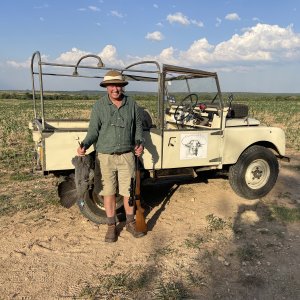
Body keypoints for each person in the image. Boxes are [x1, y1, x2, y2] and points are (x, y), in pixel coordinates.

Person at [77, 70, 145, 243]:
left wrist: (139, 143)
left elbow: (138, 128)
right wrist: (84, 145)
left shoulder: (132, 105)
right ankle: (111, 227)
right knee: (109, 193)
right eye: (112, 85)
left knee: (129, 192)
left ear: (123, 87)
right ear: (106, 87)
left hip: (127, 156)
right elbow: (93, 131)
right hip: (105, 157)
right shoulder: (99, 106)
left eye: (119, 85)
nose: (116, 89)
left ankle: (130, 223)